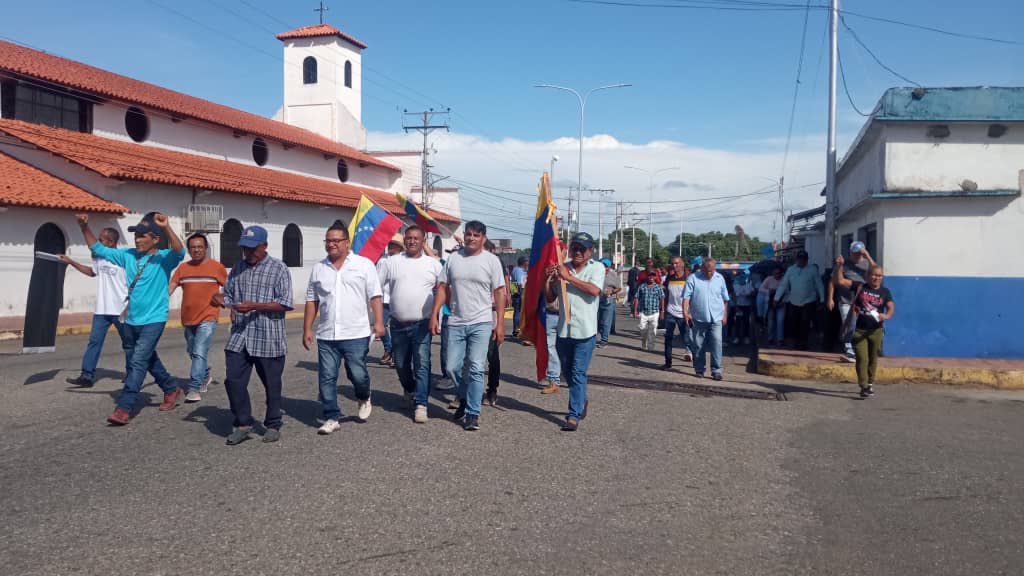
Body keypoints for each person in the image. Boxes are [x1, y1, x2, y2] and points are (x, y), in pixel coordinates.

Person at [75, 212, 186, 425]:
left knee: (137, 361)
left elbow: (180, 251)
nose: (137, 239)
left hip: (155, 318)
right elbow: (97, 249)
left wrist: (167, 227)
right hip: (132, 319)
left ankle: (124, 407)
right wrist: (83, 227)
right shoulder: (128, 255)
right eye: (136, 236)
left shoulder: (164, 258)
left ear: (155, 239)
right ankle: (171, 388)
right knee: (147, 358)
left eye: (143, 236)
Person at [214, 225, 293, 445]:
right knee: (233, 380)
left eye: (252, 248)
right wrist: (219, 299)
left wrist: (255, 306)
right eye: (244, 249)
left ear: (264, 246)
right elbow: (228, 295)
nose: (247, 253)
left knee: (272, 384)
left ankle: (273, 423)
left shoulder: (279, 268)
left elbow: (285, 303)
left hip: (268, 336)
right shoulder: (238, 268)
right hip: (240, 335)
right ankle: (243, 423)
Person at [304, 223, 385, 435]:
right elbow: (312, 300)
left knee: (358, 374)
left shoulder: (364, 265)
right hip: (327, 334)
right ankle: (332, 416)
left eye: (336, 241)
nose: (331, 245)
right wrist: (307, 329)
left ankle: (363, 395)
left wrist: (379, 323)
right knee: (326, 376)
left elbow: (375, 296)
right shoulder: (319, 268)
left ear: (347, 243)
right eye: (328, 241)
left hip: (356, 333)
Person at [429, 221, 506, 431]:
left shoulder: (491, 261)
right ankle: (463, 395)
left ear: (483, 238)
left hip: (481, 322)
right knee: (452, 367)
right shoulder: (454, 258)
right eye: (469, 234)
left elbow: (500, 291)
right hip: (456, 321)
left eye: (476, 235)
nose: (471, 238)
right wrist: (435, 314)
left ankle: (473, 413)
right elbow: (443, 287)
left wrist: (500, 323)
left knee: (475, 367)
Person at [377, 226, 442, 423]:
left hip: (422, 324)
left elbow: (443, 290)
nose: (412, 241)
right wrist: (376, 318)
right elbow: (375, 289)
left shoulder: (433, 264)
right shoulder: (391, 262)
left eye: (416, 238)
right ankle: (410, 389)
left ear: (423, 242)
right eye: (409, 238)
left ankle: (421, 404)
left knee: (422, 364)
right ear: (404, 241)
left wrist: (437, 316)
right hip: (397, 324)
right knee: (401, 365)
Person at [545, 232, 604, 432]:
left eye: (582, 248)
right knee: (567, 372)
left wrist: (568, 278)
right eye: (575, 248)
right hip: (564, 329)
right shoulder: (563, 267)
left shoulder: (597, 268)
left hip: (585, 331)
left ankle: (573, 415)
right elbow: (550, 296)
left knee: (578, 372)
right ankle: (581, 399)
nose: (577, 252)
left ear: (590, 251)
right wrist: (550, 279)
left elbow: (594, 291)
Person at [61, 226, 130, 387]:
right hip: (102, 310)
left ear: (111, 242)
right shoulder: (99, 258)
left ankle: (132, 373)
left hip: (122, 309)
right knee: (94, 342)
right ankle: (87, 375)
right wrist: (71, 262)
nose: (97, 242)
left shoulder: (124, 258)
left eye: (101, 240)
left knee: (129, 343)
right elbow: (92, 272)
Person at [168, 233, 227, 403]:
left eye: (200, 247)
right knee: (192, 351)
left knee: (200, 350)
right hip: (188, 318)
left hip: (208, 316)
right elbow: (171, 286)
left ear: (206, 248)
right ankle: (205, 374)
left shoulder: (216, 267)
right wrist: (161, 302)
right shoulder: (183, 268)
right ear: (189, 249)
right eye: (193, 247)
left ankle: (194, 388)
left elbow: (229, 287)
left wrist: (225, 300)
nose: (196, 250)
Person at [833, 260, 894, 398]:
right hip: (860, 330)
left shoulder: (885, 292)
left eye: (879, 276)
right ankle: (863, 385)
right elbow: (840, 281)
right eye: (873, 275)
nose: (876, 278)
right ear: (867, 276)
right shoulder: (860, 287)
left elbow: (891, 307)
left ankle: (870, 383)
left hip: (876, 331)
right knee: (861, 358)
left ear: (882, 277)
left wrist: (887, 316)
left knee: (873, 358)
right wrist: (839, 266)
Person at [826, 241, 876, 363]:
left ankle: (858, 348)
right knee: (849, 324)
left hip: (863, 301)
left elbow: (876, 272)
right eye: (855, 253)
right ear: (851, 253)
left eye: (860, 253)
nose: (858, 256)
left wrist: (868, 256)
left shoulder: (865, 264)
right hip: (846, 300)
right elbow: (833, 282)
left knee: (862, 325)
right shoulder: (844, 264)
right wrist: (830, 298)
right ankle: (848, 348)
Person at [683, 257, 730, 380]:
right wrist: (685, 313)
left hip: (716, 318)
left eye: (712, 271)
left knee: (717, 343)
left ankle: (716, 370)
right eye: (707, 271)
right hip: (699, 318)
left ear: (715, 269)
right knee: (698, 345)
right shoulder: (693, 278)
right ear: (702, 268)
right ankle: (699, 369)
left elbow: (725, 299)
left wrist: (725, 315)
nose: (709, 273)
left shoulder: (720, 279)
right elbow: (686, 297)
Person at [774, 250, 823, 351]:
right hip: (794, 301)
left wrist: (822, 299)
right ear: (796, 260)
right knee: (793, 323)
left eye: (803, 259)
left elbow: (819, 285)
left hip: (809, 301)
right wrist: (776, 298)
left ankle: (803, 344)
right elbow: (784, 285)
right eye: (799, 259)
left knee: (805, 323)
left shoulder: (813, 269)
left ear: (807, 260)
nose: (801, 261)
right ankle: (795, 343)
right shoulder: (791, 269)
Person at [484, 240, 511, 407]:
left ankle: (492, 389)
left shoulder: (496, 263)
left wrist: (506, 294)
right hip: (473, 314)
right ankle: (464, 392)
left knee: (491, 354)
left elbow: (503, 284)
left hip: (492, 311)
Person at [375, 236, 404, 367]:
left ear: (400, 247)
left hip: (399, 298)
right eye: (390, 244)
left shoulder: (404, 260)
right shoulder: (383, 260)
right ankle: (389, 347)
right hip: (384, 299)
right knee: (381, 325)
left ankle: (397, 354)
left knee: (399, 327)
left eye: (395, 244)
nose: (392, 246)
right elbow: (378, 281)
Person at [661, 256, 692, 370]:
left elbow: (693, 296)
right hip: (670, 312)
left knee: (686, 338)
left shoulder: (688, 278)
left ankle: (694, 359)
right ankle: (668, 363)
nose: (674, 266)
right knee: (668, 339)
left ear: (682, 264)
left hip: (684, 314)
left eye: (676, 263)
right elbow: (665, 294)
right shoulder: (670, 277)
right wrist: (663, 310)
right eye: (673, 264)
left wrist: (690, 313)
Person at [633, 269, 665, 352]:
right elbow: (636, 298)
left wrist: (662, 311)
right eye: (650, 275)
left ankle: (651, 347)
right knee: (642, 329)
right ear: (647, 276)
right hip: (643, 312)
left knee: (653, 330)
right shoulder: (642, 286)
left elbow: (662, 299)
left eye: (653, 275)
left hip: (654, 312)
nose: (651, 277)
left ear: (655, 277)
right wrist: (635, 310)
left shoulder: (658, 287)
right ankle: (644, 344)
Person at [597, 258, 621, 348]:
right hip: (596, 299)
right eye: (602, 265)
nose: (604, 268)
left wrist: (612, 291)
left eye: (606, 266)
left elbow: (619, 288)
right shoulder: (596, 273)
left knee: (606, 321)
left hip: (609, 300)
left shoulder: (613, 274)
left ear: (609, 267)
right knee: (597, 320)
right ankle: (594, 338)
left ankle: (604, 341)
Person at [760, 267, 787, 345]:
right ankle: (770, 338)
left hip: (781, 303)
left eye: (778, 273)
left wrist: (784, 301)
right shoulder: (769, 279)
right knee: (771, 321)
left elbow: (788, 292)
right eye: (775, 273)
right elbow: (761, 289)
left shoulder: (785, 280)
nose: (777, 275)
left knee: (780, 321)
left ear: (781, 273)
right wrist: (769, 291)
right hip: (770, 303)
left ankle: (780, 339)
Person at [732, 271, 755, 345]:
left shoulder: (749, 285)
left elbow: (753, 294)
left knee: (746, 322)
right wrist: (736, 307)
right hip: (739, 306)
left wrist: (750, 294)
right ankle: (737, 337)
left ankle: (746, 337)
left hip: (747, 306)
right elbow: (734, 296)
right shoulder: (735, 285)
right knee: (737, 322)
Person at [510, 256, 528, 338]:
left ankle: (517, 330)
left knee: (517, 312)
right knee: (518, 312)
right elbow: (521, 284)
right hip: (519, 294)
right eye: (527, 261)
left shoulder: (518, 270)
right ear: (523, 262)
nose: (528, 263)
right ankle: (517, 330)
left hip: (517, 294)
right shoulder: (519, 271)